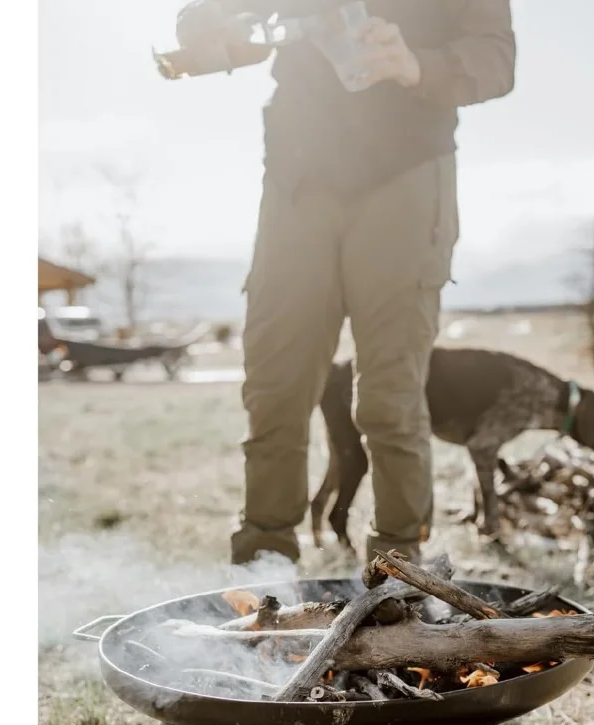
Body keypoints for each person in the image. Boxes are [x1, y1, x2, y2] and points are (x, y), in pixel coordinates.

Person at [174, 0, 516, 565]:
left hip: (405, 177)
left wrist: (415, 64)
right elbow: (210, 20)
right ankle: (267, 573)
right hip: (297, 178)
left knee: (390, 394)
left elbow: (497, 59)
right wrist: (207, 24)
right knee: (275, 386)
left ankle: (400, 574)